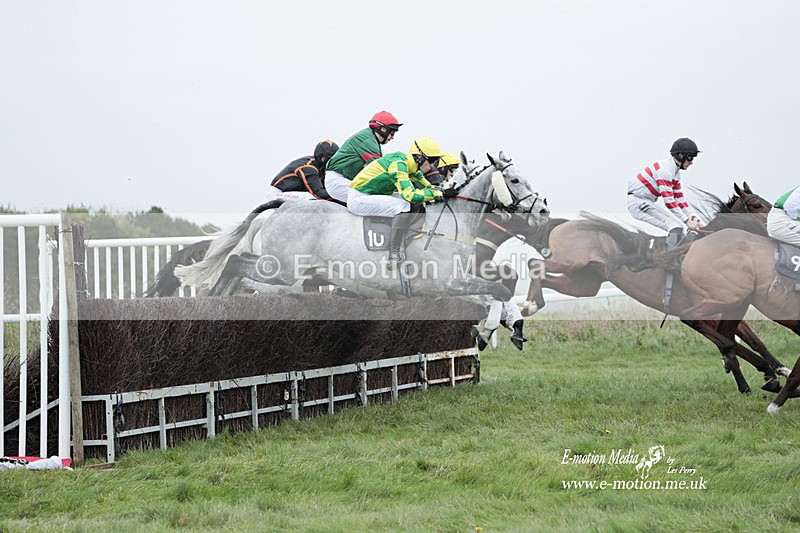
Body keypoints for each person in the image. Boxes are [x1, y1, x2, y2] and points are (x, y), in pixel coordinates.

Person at [348, 137, 454, 267]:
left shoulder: (412, 168)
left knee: (408, 203)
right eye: (431, 160)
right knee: (403, 205)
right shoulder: (398, 164)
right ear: (419, 158)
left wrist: (446, 191)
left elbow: (428, 188)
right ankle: (393, 255)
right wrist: (439, 193)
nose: (432, 166)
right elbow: (409, 195)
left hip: (371, 195)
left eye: (435, 161)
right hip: (359, 198)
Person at [627, 137, 705, 249]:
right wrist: (687, 221)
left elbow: (679, 199)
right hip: (637, 202)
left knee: (679, 228)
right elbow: (669, 202)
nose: (691, 162)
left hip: (643, 201)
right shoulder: (666, 171)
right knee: (676, 226)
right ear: (681, 156)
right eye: (690, 158)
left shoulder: (675, 173)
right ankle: (669, 260)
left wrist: (695, 218)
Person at [325, 111, 402, 202]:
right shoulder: (367, 141)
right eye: (392, 133)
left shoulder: (371, 138)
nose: (392, 137)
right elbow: (382, 170)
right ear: (383, 129)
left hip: (343, 179)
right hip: (338, 181)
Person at [265, 140, 340, 201]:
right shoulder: (308, 168)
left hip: (293, 194)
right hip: (277, 193)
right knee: (309, 197)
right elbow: (319, 194)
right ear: (323, 158)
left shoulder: (321, 168)